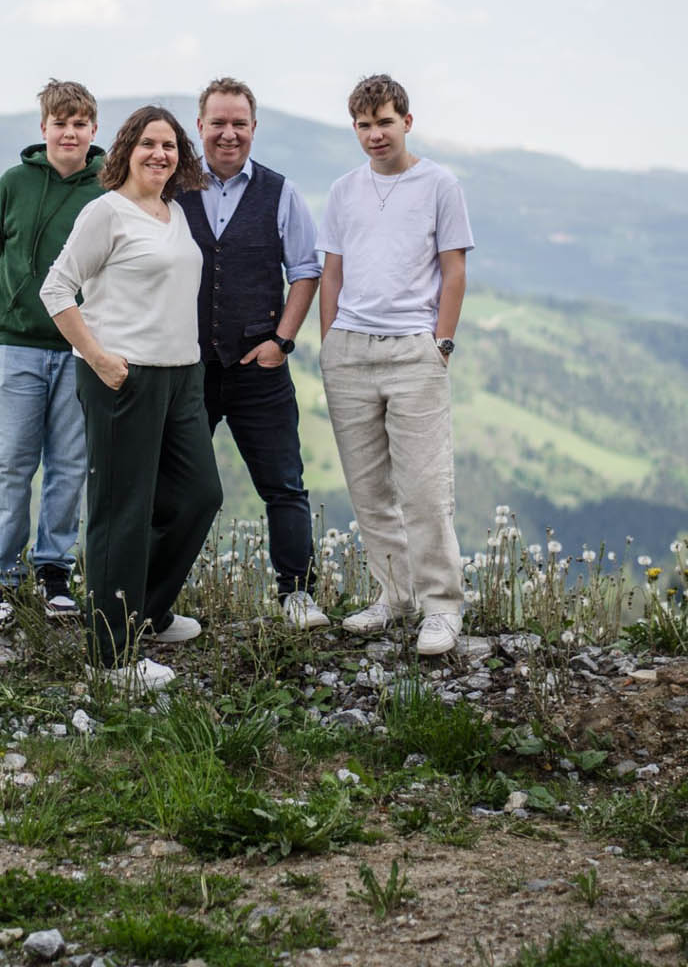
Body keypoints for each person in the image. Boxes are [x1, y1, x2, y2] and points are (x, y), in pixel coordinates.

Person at [40, 105, 222, 691]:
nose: (160, 154)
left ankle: (147, 610)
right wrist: (97, 357)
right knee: (122, 513)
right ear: (126, 150)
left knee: (198, 496)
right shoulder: (106, 213)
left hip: (181, 377)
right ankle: (111, 657)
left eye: (169, 146)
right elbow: (56, 287)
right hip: (122, 377)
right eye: (148, 144)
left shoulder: (173, 213)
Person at [318, 73, 474, 656]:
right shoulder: (342, 190)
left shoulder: (439, 183)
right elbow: (331, 270)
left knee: (425, 487)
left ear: (406, 122)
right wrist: (331, 341)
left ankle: (441, 607)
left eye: (384, 122)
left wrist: (443, 343)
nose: (374, 134)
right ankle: (395, 596)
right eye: (363, 124)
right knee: (368, 489)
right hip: (350, 351)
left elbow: (454, 270)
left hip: (415, 350)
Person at [178, 77, 329, 629]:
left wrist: (281, 343)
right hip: (186, 368)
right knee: (178, 488)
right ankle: (154, 598)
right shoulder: (171, 187)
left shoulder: (281, 192)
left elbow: (306, 271)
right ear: (200, 127)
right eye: (217, 122)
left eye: (239, 123)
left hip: (257, 367)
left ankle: (297, 595)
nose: (228, 133)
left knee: (283, 484)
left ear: (253, 128)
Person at [0, 78, 105, 631]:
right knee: (9, 462)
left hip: (80, 349)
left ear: (93, 130)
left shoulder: (108, 191)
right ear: (44, 129)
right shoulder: (12, 184)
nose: (70, 132)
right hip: (17, 347)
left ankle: (55, 573)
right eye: (61, 122)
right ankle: (1, 578)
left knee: (69, 465)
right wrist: (11, 311)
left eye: (80, 123)